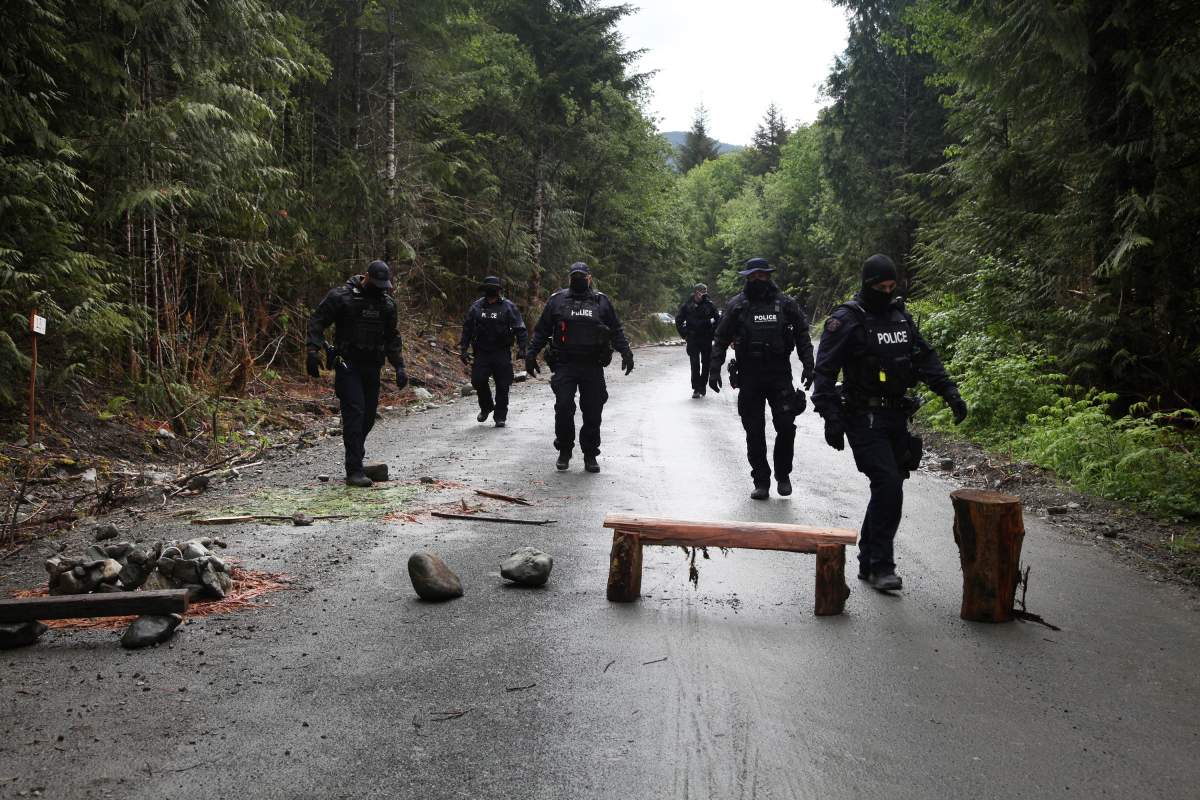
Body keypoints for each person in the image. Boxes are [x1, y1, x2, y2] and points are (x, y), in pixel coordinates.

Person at [812, 254, 968, 592]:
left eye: (891, 286)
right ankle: (882, 565)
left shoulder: (899, 317)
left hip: (896, 416)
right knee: (888, 482)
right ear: (867, 285)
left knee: (889, 483)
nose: (887, 291)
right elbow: (823, 371)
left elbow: (924, 358)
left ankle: (869, 558)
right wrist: (831, 417)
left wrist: (950, 393)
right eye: (880, 286)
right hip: (862, 417)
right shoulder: (847, 320)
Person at [709, 258, 815, 500]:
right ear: (747, 277)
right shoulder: (737, 305)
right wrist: (714, 369)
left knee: (787, 426)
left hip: (779, 374)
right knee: (754, 430)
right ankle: (761, 481)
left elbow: (802, 334)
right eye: (753, 276)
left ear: (769, 276)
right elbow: (721, 337)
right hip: (749, 375)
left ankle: (783, 474)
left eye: (762, 275)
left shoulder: (785, 303)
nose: (758, 280)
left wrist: (809, 366)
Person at [525, 262, 634, 474]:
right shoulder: (557, 300)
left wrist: (626, 352)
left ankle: (590, 454)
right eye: (575, 276)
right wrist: (531, 354)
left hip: (592, 365)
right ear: (569, 278)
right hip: (565, 363)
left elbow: (616, 330)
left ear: (589, 278)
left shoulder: (601, 301)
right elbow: (542, 330)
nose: (578, 279)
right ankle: (564, 450)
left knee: (593, 411)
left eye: (582, 276)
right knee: (564, 407)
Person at [307, 260, 407, 487]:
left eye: (384, 285)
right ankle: (354, 469)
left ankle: (356, 454)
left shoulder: (387, 304)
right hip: (347, 364)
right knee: (355, 412)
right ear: (366, 277)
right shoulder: (342, 296)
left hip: (372, 366)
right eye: (377, 284)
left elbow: (392, 337)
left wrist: (399, 366)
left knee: (368, 416)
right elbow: (318, 320)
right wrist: (312, 350)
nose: (381, 289)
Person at [458, 276, 529, 428]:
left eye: (493, 287)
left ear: (498, 290)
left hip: (501, 351)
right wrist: (463, 348)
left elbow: (520, 328)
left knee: (503, 385)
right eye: (488, 287)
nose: (491, 290)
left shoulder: (508, 306)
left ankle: (500, 416)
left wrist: (523, 348)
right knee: (477, 380)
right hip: (481, 351)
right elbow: (467, 328)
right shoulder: (476, 307)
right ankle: (486, 406)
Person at [675, 283, 721, 398]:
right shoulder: (687, 305)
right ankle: (696, 388)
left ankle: (702, 386)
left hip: (706, 338)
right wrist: (684, 334)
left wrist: (713, 332)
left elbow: (718, 320)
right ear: (696, 292)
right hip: (693, 338)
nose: (703, 293)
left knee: (706, 364)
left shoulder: (710, 305)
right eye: (701, 291)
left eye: (705, 291)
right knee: (694, 364)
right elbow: (679, 320)